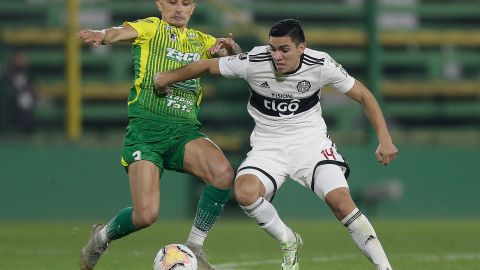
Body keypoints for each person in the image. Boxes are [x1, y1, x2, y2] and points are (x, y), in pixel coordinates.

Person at [154, 19, 398, 270]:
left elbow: (364, 96)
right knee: (245, 193)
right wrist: (166, 78)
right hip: (268, 146)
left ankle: (384, 267)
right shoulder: (255, 61)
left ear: (301, 48)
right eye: (272, 48)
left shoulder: (321, 64)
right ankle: (288, 240)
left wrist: (385, 138)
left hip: (310, 144)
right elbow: (207, 65)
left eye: (284, 50)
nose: (277, 56)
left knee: (341, 201)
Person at [76, 1, 242, 269]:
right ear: (159, 4)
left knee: (223, 174)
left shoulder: (202, 40)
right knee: (146, 215)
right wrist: (102, 35)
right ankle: (101, 237)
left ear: (194, 7)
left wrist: (231, 49)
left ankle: (195, 248)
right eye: (172, 2)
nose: (179, 8)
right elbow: (119, 31)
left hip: (184, 132)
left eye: (185, 3)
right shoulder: (151, 28)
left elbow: (235, 61)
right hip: (146, 133)